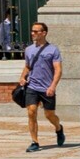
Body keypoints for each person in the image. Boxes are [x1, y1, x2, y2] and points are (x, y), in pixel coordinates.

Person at [19, 22, 65, 152]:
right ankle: (35, 141)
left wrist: (53, 86)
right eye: (32, 31)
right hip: (32, 86)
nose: (32, 33)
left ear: (43, 33)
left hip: (47, 88)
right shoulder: (28, 49)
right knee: (31, 111)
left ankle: (58, 128)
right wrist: (22, 77)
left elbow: (58, 70)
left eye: (35, 31)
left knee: (49, 115)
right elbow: (27, 66)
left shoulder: (53, 50)